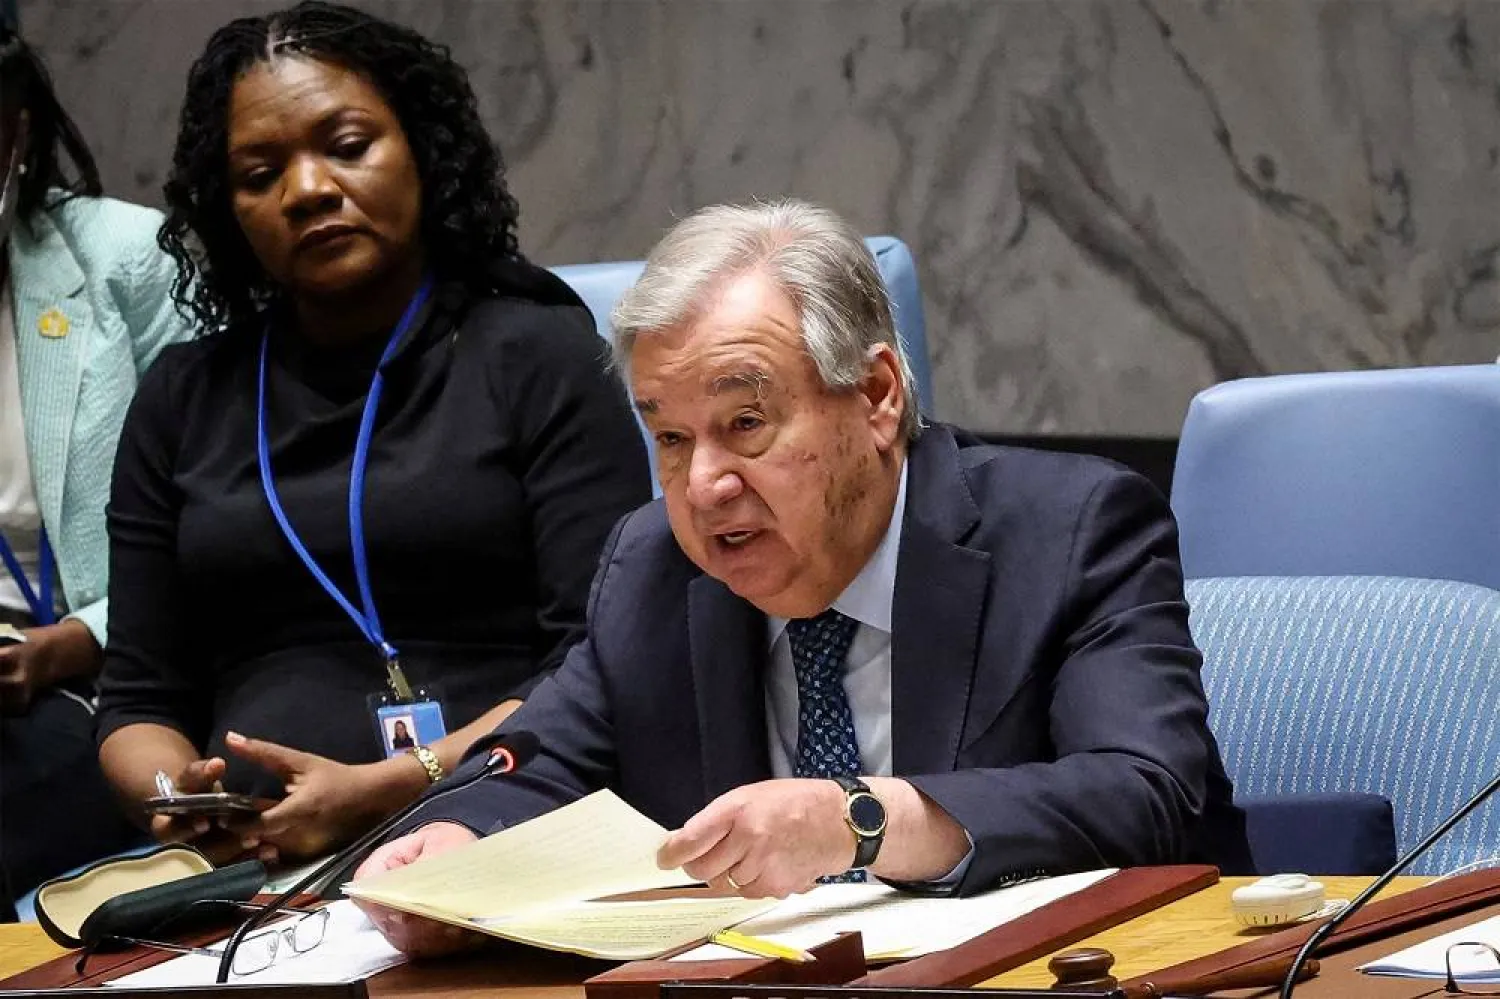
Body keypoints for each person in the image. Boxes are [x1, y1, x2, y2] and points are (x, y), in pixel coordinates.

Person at [356, 199, 1250, 955]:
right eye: (670, 437)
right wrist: (455, 844)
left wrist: (861, 821)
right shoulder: (652, 567)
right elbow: (537, 768)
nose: (703, 484)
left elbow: (1146, 796)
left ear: (876, 396)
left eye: (746, 421)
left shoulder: (1068, 529)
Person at [95, 2, 651, 868]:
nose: (308, 188)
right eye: (259, 173)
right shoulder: (182, 398)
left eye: (347, 147)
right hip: (252, 864)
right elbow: (135, 700)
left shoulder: (538, 354)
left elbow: (601, 661)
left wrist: (396, 781)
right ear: (228, 209)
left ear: (422, 152)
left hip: (502, 817)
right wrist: (178, 794)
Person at [0, 27, 193, 910]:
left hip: (107, 677)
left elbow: (232, 513)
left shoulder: (127, 262)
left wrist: (76, 639)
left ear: (15, 135)